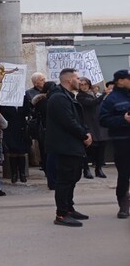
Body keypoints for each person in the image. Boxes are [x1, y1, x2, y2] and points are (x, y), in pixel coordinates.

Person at [45, 68, 92, 227]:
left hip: (72, 145)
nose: (80, 81)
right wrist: (84, 136)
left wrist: (86, 132)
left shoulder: (68, 96)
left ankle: (69, 208)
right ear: (68, 80)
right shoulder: (58, 98)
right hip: (65, 145)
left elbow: (77, 119)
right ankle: (61, 214)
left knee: (73, 177)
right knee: (65, 180)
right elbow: (68, 122)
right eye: (77, 78)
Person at [99, 69, 130, 219]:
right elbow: (103, 120)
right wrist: (123, 120)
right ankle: (123, 203)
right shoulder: (111, 99)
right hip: (122, 141)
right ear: (120, 81)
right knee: (124, 174)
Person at [77, 77, 107, 179]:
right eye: (81, 85)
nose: (84, 87)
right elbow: (92, 103)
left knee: (101, 146)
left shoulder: (93, 94)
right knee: (90, 148)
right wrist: (104, 94)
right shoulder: (80, 96)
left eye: (85, 84)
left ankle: (98, 168)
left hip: (98, 124)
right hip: (88, 124)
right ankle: (86, 169)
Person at [33, 81, 58, 189]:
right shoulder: (45, 101)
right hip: (47, 130)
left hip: (45, 130)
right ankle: (52, 180)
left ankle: (51, 178)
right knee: (50, 156)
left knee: (47, 155)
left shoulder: (41, 100)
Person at [0, 105, 31, 183]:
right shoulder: (6, 101)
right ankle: (14, 174)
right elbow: (2, 113)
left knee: (21, 151)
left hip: (22, 128)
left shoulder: (23, 98)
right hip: (10, 128)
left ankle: (22, 173)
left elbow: (28, 110)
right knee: (12, 151)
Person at [23, 72, 47, 168]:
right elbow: (30, 107)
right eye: (42, 80)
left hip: (47, 120)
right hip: (37, 120)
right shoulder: (30, 92)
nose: (44, 81)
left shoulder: (48, 91)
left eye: (44, 79)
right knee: (40, 142)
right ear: (35, 83)